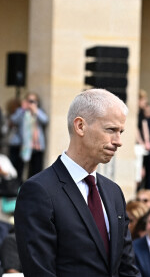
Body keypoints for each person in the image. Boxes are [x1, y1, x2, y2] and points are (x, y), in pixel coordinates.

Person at [14, 89, 141, 277]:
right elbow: (39, 271)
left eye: (121, 131)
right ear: (80, 126)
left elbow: (127, 267)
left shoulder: (113, 192)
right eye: (111, 130)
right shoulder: (39, 191)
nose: (119, 141)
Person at [9, 92, 48, 181]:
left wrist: (35, 111)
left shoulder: (39, 111)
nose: (30, 103)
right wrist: (23, 109)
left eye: (33, 101)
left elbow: (45, 120)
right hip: (24, 146)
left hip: (36, 146)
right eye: (29, 100)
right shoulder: (22, 111)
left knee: (35, 171)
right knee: (20, 169)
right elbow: (14, 120)